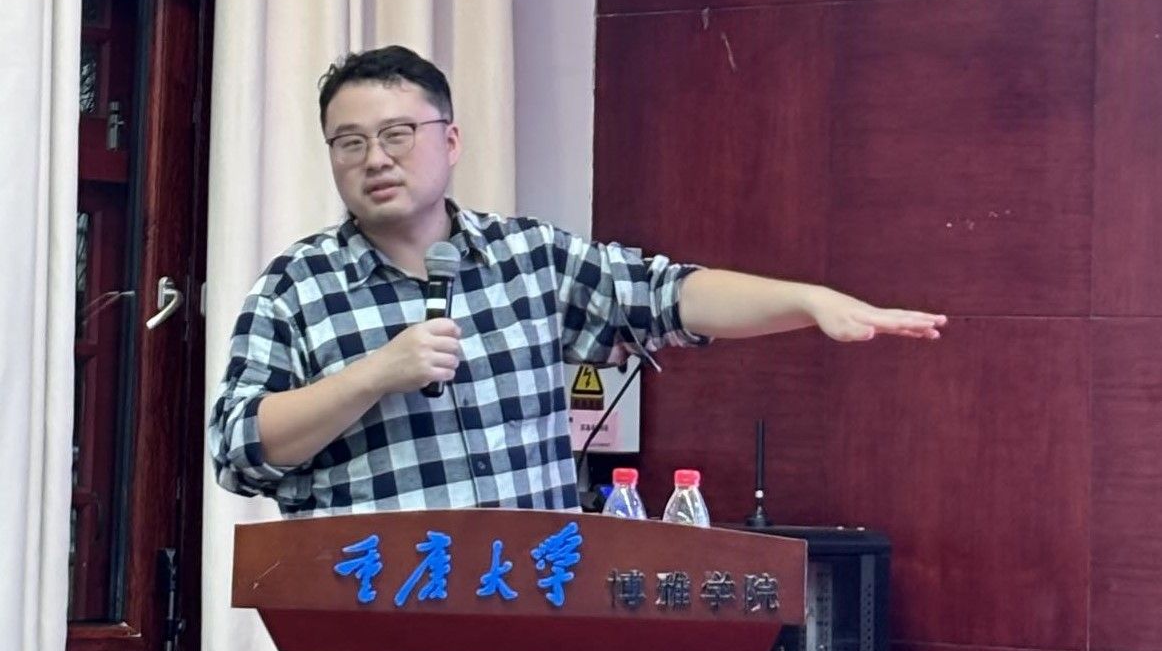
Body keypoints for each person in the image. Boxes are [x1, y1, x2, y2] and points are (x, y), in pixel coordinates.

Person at [209, 45, 945, 517]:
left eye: (397, 134)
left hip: (528, 614)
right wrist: (374, 375)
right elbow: (238, 448)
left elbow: (669, 296)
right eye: (350, 142)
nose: (375, 158)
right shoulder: (296, 287)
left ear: (450, 140)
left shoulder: (530, 258)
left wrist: (809, 301)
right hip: (371, 632)